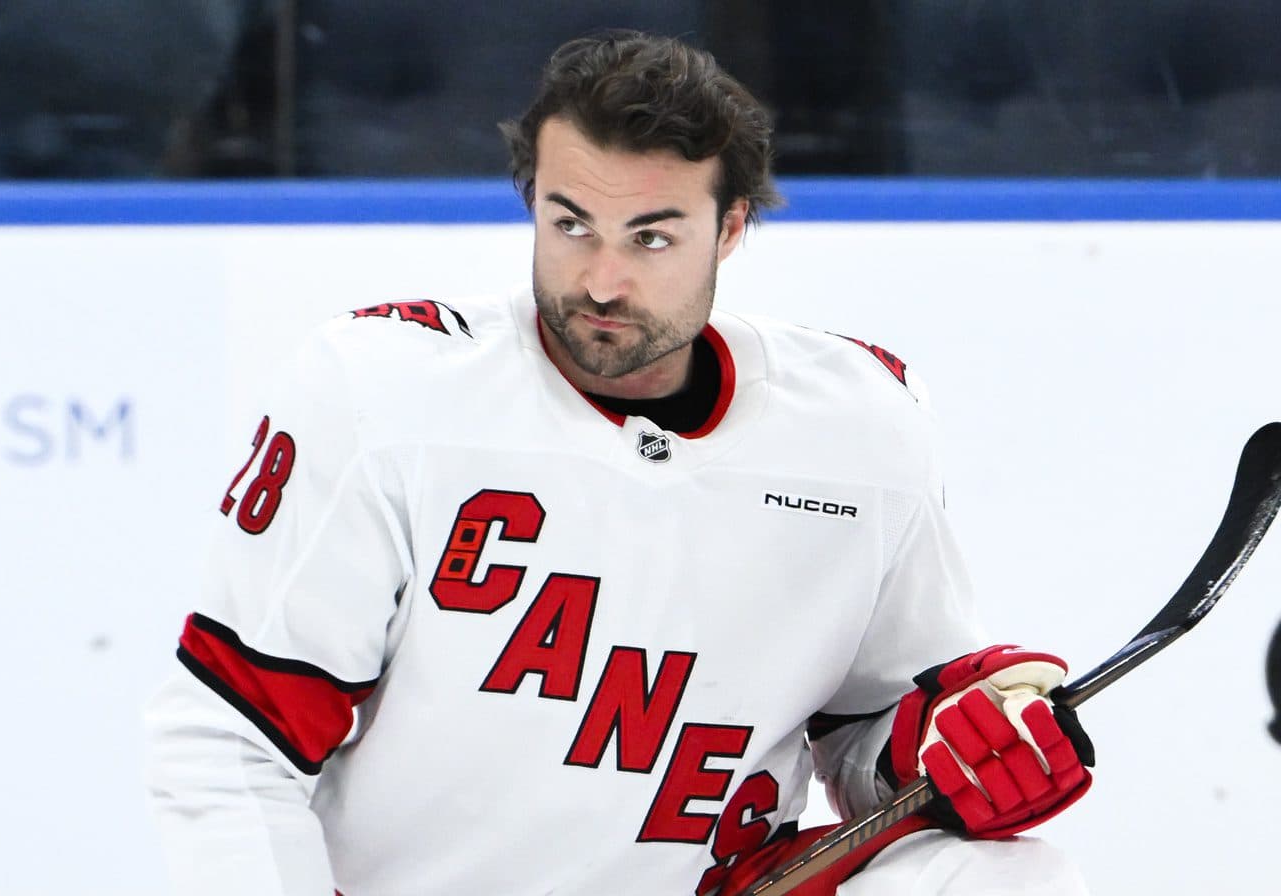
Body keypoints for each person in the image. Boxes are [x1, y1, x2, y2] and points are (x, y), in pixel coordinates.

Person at [145, 31, 1095, 895]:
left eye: (651, 238)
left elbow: (877, 729)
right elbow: (229, 738)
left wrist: (963, 734)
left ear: (728, 230)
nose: (601, 280)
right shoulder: (384, 393)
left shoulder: (863, 423)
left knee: (1016, 879)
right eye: (570, 227)